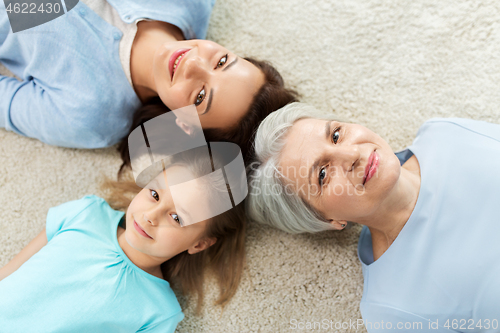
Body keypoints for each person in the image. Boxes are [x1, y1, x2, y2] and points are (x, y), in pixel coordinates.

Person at [246, 102, 500, 332]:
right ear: (326, 220)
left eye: (336, 135)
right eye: (322, 174)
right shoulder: (393, 311)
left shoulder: (444, 132)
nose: (351, 155)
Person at [0, 0, 297, 157]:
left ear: (183, 122)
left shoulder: (91, 114)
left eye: (200, 97)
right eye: (221, 62)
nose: (192, 64)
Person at [0, 149, 247, 332]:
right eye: (154, 194)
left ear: (199, 244)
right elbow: (10, 272)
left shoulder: (158, 313)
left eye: (176, 217)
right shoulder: (86, 214)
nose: (150, 216)